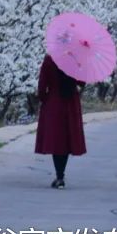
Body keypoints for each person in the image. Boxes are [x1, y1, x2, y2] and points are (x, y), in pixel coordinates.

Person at [34, 53, 86, 188]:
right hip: (71, 102)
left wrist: (45, 100)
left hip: (54, 101)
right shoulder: (75, 57)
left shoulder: (50, 59)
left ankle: (59, 176)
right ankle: (60, 175)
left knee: (57, 140)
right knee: (67, 138)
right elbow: (82, 82)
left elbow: (41, 87)